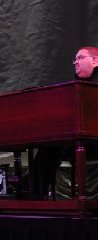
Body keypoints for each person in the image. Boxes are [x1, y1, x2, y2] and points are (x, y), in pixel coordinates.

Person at [30, 46, 98, 199]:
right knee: (48, 146)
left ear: (95, 60)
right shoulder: (75, 86)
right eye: (75, 60)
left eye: (80, 58)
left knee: (52, 148)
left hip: (92, 136)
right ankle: (33, 194)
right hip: (77, 133)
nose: (76, 63)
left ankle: (33, 192)